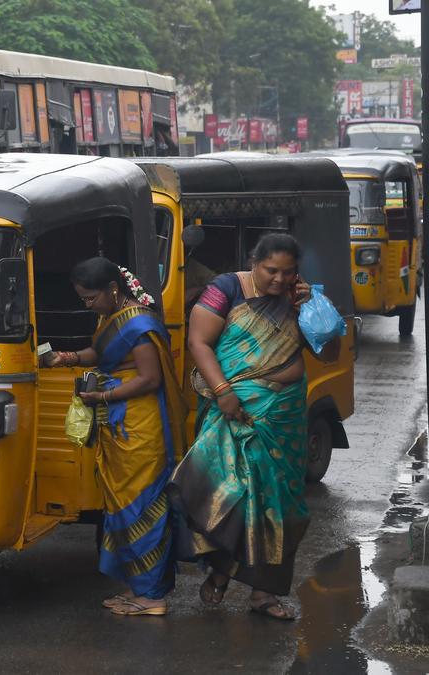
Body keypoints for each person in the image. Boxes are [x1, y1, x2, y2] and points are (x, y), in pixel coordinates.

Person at [170, 233, 339, 620]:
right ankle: (221, 572)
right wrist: (224, 392)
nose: (279, 280)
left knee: (281, 504)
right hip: (236, 409)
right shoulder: (225, 289)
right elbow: (199, 342)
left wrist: (313, 310)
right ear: (254, 262)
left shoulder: (300, 299)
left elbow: (327, 354)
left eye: (288, 272)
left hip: (285, 414)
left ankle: (264, 594)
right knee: (232, 497)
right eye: (271, 271)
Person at [40, 258, 185, 616]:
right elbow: (103, 355)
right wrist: (68, 357)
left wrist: (102, 397)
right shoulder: (111, 316)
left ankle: (152, 597)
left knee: (142, 506)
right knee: (122, 506)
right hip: (121, 424)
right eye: (83, 299)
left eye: (91, 298)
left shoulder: (138, 323)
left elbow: (149, 379)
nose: (87, 305)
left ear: (113, 290)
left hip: (140, 428)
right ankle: (138, 588)